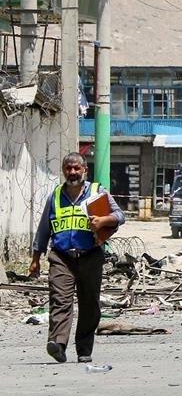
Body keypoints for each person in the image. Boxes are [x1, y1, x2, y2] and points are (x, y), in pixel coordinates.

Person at [28, 152, 125, 364]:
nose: (72, 172)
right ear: (63, 171)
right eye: (68, 168)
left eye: (76, 168)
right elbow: (43, 229)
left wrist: (103, 221)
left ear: (85, 170)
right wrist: (36, 258)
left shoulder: (97, 192)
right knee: (59, 300)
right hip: (62, 257)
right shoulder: (54, 196)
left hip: (90, 255)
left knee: (89, 304)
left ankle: (84, 349)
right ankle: (58, 344)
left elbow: (120, 216)